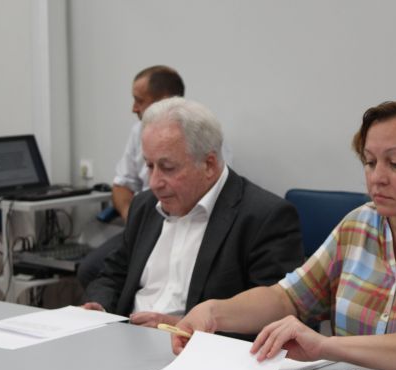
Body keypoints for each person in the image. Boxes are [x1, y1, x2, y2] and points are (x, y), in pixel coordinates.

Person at [172, 96, 396, 370]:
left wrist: (326, 346)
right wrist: (214, 312)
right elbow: (287, 298)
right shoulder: (360, 223)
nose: (377, 178)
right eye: (369, 162)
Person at [82, 97, 305, 330]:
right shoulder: (144, 205)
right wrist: (99, 307)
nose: (154, 182)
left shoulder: (264, 217)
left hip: (199, 347)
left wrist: (184, 327)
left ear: (209, 165)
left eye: (168, 168)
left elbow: (274, 318)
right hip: (127, 336)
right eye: (149, 166)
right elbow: (113, 274)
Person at [77, 65, 185, 289]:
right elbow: (122, 185)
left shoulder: (198, 133)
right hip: (144, 226)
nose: (133, 108)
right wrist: (133, 217)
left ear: (164, 100)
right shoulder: (140, 131)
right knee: (92, 270)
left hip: (184, 227)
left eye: (139, 100)